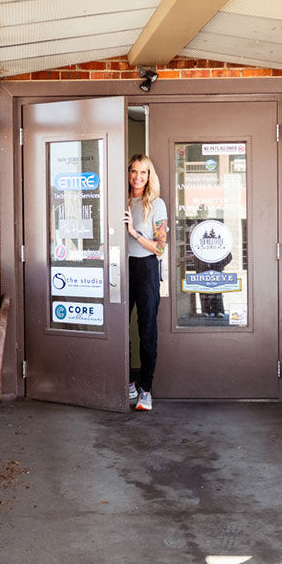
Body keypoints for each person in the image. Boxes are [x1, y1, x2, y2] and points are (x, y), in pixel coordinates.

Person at [122, 154, 167, 411]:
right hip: (121, 267)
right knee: (120, 328)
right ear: (128, 173)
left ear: (149, 176)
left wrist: (134, 233)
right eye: (134, 171)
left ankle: (146, 389)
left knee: (146, 330)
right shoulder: (121, 200)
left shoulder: (156, 204)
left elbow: (160, 248)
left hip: (146, 268)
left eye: (143, 172)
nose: (137, 177)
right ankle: (128, 382)